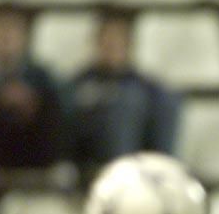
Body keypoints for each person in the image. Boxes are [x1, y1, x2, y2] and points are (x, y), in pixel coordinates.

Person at [67, 10, 181, 189]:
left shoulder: (148, 88)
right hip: (88, 166)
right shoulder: (78, 84)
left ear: (129, 45)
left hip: (139, 169)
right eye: (107, 39)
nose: (111, 45)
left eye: (118, 40)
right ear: (97, 43)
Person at [0, 4, 66, 191]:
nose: (6, 37)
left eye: (13, 30)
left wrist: (30, 102)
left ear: (25, 37)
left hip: (34, 159)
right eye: (0, 29)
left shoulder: (43, 78)